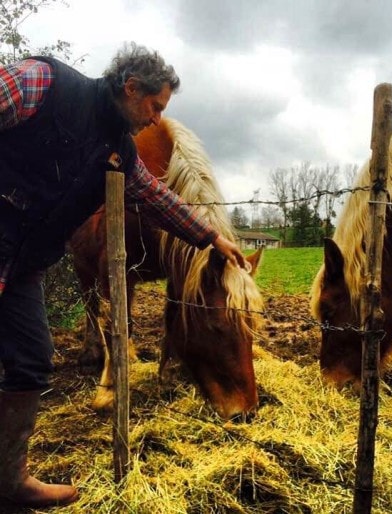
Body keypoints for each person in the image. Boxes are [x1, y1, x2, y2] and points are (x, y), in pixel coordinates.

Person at [0, 42, 247, 507]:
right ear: (131, 88)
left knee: (32, 358)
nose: (158, 120)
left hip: (22, 264)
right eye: (155, 106)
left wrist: (212, 238)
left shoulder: (117, 151)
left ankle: (8, 477)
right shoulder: (42, 83)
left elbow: (156, 198)